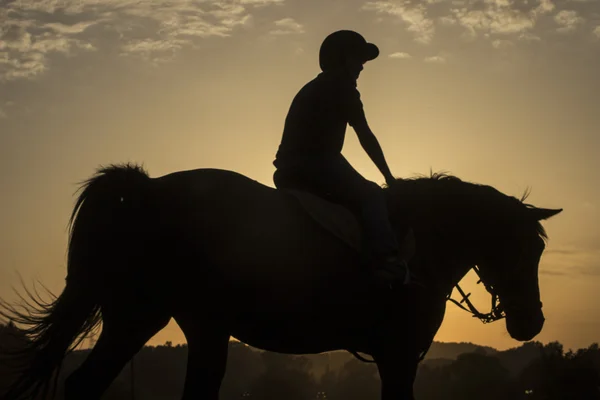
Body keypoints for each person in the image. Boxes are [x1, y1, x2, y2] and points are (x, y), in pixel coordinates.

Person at [272, 30, 410, 288]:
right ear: (344, 59)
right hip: (317, 164)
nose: (361, 67)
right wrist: (389, 178)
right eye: (358, 60)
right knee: (371, 195)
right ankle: (387, 260)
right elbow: (365, 135)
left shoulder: (314, 86)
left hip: (289, 169)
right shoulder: (341, 87)